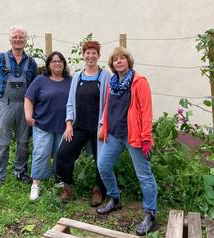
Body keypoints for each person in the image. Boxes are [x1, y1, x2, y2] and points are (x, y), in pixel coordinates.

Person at [96, 47, 158, 236]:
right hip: (114, 134)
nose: (119, 61)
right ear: (112, 64)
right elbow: (108, 107)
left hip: (134, 137)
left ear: (128, 61)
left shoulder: (139, 82)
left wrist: (147, 138)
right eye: (115, 59)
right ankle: (114, 198)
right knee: (103, 165)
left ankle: (150, 213)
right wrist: (103, 126)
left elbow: (146, 111)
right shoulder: (112, 83)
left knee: (144, 175)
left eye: (122, 58)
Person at [55, 40, 110, 207]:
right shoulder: (77, 76)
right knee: (63, 153)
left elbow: (108, 103)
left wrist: (103, 125)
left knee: (101, 159)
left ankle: (98, 190)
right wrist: (69, 123)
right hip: (78, 125)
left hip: (98, 127)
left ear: (98, 56)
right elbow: (71, 101)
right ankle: (68, 187)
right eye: (88, 53)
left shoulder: (105, 76)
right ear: (83, 55)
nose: (91, 56)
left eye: (94, 53)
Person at [0, 26, 37, 192]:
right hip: (5, 104)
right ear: (10, 39)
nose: (18, 40)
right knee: (1, 143)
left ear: (25, 40)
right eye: (15, 37)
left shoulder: (31, 62)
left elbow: (34, 85)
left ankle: (20, 172)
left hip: (25, 105)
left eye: (21, 37)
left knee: (23, 142)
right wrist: (1, 98)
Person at [24, 51, 72, 201]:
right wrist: (28, 116)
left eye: (60, 61)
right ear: (49, 65)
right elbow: (28, 98)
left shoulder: (70, 81)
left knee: (61, 154)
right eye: (53, 61)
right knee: (41, 153)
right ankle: (36, 184)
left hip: (63, 126)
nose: (57, 63)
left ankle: (58, 179)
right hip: (43, 124)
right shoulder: (40, 80)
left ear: (64, 64)